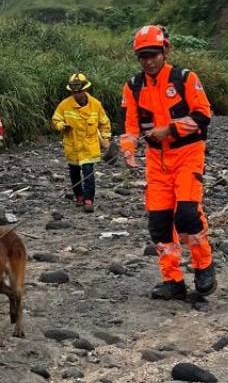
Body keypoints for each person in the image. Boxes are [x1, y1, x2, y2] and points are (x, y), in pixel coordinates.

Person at [119, 25, 216, 300]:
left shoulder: (184, 78)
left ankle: (203, 266)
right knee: (160, 222)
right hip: (156, 160)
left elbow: (203, 116)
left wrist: (170, 129)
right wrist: (128, 150)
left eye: (153, 54)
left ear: (165, 51)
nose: (149, 61)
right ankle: (172, 280)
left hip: (188, 154)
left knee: (187, 214)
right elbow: (129, 126)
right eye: (143, 56)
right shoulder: (133, 86)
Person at [51, 73, 111, 213]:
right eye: (74, 92)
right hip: (72, 147)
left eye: (79, 92)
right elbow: (56, 120)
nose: (77, 95)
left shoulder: (95, 105)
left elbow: (104, 123)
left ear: (85, 90)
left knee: (88, 173)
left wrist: (106, 139)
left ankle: (88, 199)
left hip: (89, 147)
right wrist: (62, 126)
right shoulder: (65, 105)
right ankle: (79, 196)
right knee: (74, 173)